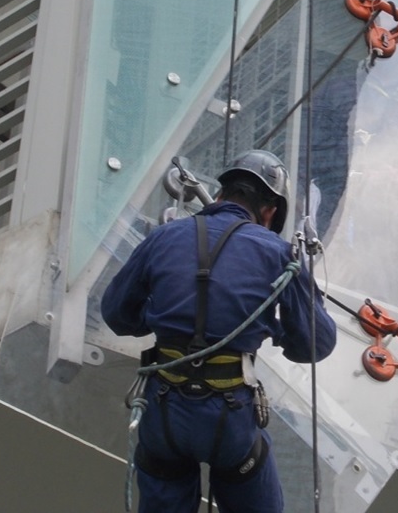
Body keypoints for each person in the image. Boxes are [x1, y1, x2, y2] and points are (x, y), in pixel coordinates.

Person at [101, 150, 337, 513]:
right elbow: (315, 345)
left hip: (164, 408)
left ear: (222, 193)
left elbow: (117, 315)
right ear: (270, 212)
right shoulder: (278, 253)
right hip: (229, 420)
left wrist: (163, 315)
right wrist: (271, 328)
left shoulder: (163, 238)